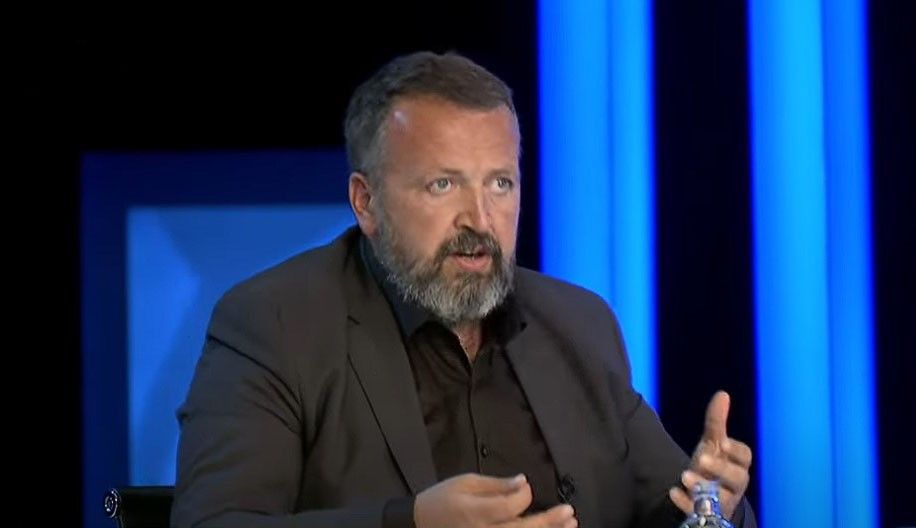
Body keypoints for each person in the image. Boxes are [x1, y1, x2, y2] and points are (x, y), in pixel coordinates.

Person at [171, 51, 756, 528]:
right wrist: (412, 524)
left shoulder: (580, 323)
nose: (480, 219)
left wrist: (711, 504)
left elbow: (667, 510)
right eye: (443, 185)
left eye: (500, 184)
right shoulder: (274, 323)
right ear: (365, 202)